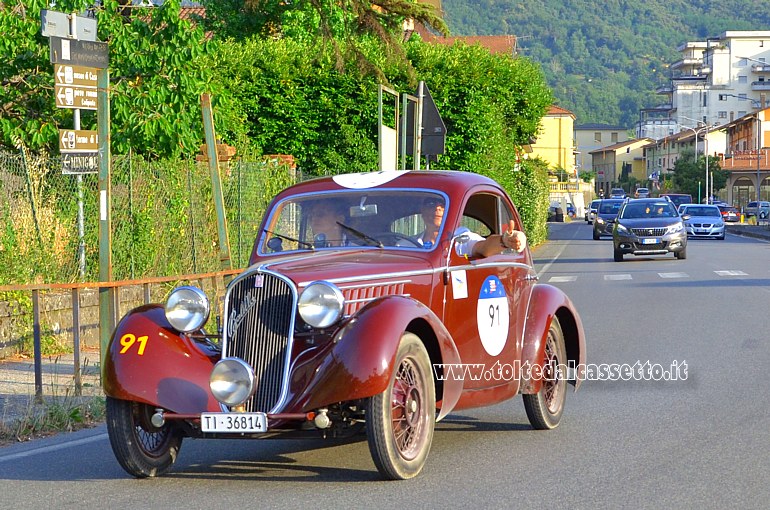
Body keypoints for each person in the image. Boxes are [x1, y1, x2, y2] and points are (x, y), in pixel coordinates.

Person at [416, 197, 526, 257]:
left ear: (451, 212)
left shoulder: (462, 239)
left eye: (443, 204)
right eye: (430, 203)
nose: (437, 208)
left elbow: (483, 247)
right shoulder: (409, 243)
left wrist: (504, 241)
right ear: (422, 210)